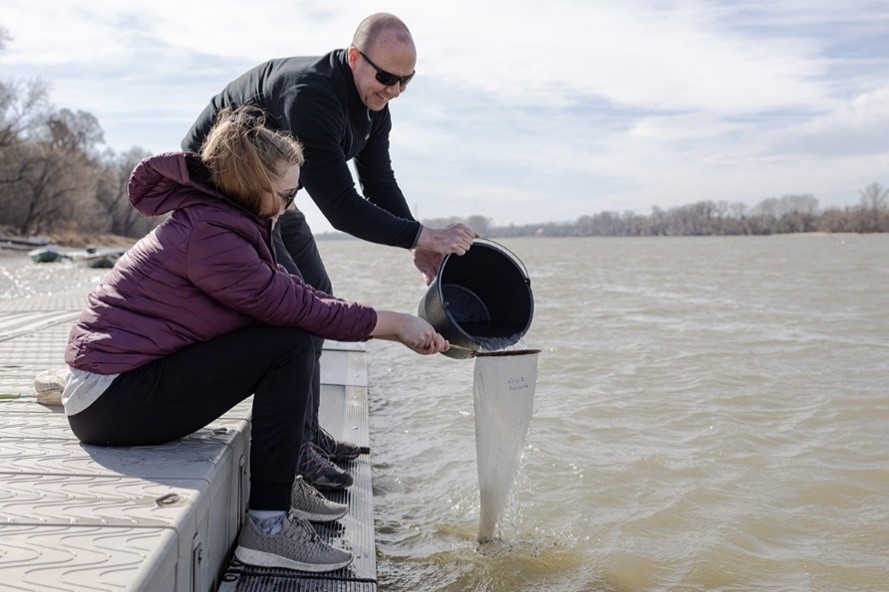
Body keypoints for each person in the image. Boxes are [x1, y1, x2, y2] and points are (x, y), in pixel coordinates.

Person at [62, 106, 449, 572]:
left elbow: (295, 296)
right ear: (252, 185)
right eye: (286, 194)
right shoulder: (212, 235)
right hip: (108, 402)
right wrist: (397, 325)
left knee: (291, 333)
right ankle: (268, 528)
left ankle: (283, 485)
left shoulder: (229, 222)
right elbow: (300, 309)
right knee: (288, 343)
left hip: (119, 387)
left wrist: (389, 321)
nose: (290, 205)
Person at [182, 12, 478, 491]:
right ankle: (294, 449)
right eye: (386, 77)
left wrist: (415, 246)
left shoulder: (374, 106)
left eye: (406, 81)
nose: (394, 91)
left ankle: (307, 431)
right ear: (355, 58)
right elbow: (341, 208)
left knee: (318, 291)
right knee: (298, 307)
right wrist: (423, 235)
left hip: (272, 193)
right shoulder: (312, 97)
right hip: (220, 189)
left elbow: (378, 181)